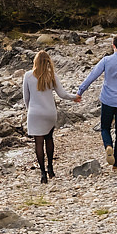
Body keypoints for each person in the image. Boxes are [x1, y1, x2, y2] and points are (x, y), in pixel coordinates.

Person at [75, 34, 117, 171]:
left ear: (113, 45)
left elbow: (92, 76)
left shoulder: (106, 60)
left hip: (107, 100)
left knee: (105, 128)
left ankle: (108, 146)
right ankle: (116, 164)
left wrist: (80, 92)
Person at [22, 50, 80, 183]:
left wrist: (30, 111)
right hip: (50, 113)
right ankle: (50, 168)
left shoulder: (28, 75)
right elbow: (62, 94)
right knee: (49, 139)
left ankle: (42, 173)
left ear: (35, 61)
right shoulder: (51, 75)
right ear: (48, 62)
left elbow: (26, 98)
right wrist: (74, 97)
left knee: (38, 143)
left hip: (35, 113)